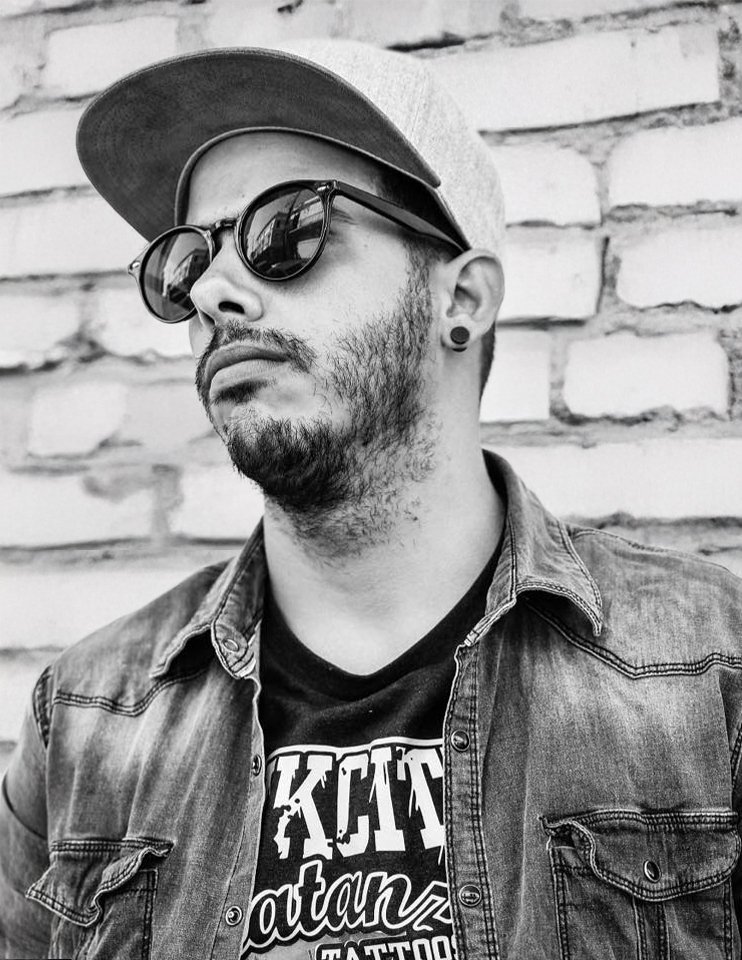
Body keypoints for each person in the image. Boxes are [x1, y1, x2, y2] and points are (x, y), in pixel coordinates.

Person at [1, 37, 742, 960]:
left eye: (286, 230)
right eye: (186, 261)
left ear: (460, 299)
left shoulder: (712, 672)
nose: (216, 292)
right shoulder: (85, 720)